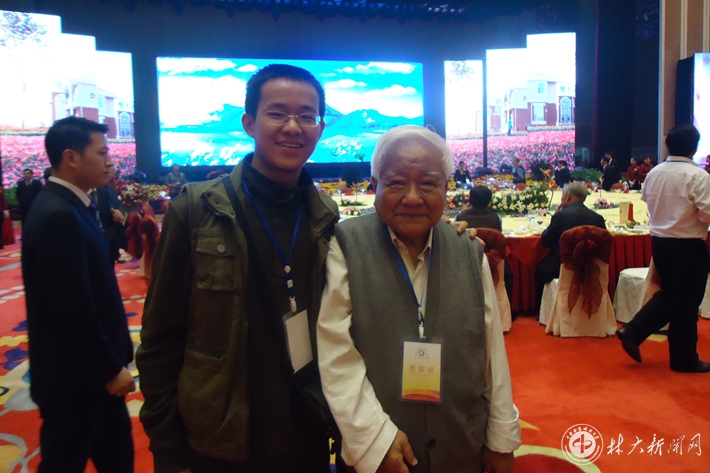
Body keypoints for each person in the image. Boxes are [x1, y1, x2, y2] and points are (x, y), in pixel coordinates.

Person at [136, 64, 340, 473]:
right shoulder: (196, 210)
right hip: (221, 437)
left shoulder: (324, 214)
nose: (293, 127)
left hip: (306, 428)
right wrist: (168, 448)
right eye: (277, 113)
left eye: (307, 116)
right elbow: (160, 338)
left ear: (320, 128)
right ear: (249, 123)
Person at [317, 125, 521, 473]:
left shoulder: (469, 250)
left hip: (461, 444)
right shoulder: (346, 245)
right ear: (375, 185)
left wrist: (501, 437)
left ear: (446, 188)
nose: (412, 198)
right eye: (396, 183)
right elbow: (335, 352)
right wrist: (375, 439)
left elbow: (492, 354)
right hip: (382, 453)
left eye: (428, 184)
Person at [21, 116, 135, 472]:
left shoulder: (70, 204)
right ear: (71, 158)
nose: (109, 161)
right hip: (77, 381)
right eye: (101, 153)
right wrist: (109, 369)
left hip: (88, 376)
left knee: (117, 457)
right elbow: (72, 308)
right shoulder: (59, 215)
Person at [617, 124, 710, 373]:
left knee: (673, 296)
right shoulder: (698, 176)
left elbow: (648, 203)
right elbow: (707, 214)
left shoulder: (655, 172)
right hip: (688, 244)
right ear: (694, 147)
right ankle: (681, 357)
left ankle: (638, 333)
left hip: (660, 242)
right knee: (686, 302)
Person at [535, 182, 606, 307]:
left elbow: (546, 241)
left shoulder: (561, 216)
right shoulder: (597, 218)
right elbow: (604, 244)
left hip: (562, 267)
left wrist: (555, 218)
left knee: (540, 270)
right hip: (591, 267)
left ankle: (543, 311)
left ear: (567, 196)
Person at [94, 164, 126, 264]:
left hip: (111, 235)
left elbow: (118, 204)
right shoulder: (94, 189)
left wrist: (120, 213)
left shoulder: (109, 188)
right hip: (100, 234)